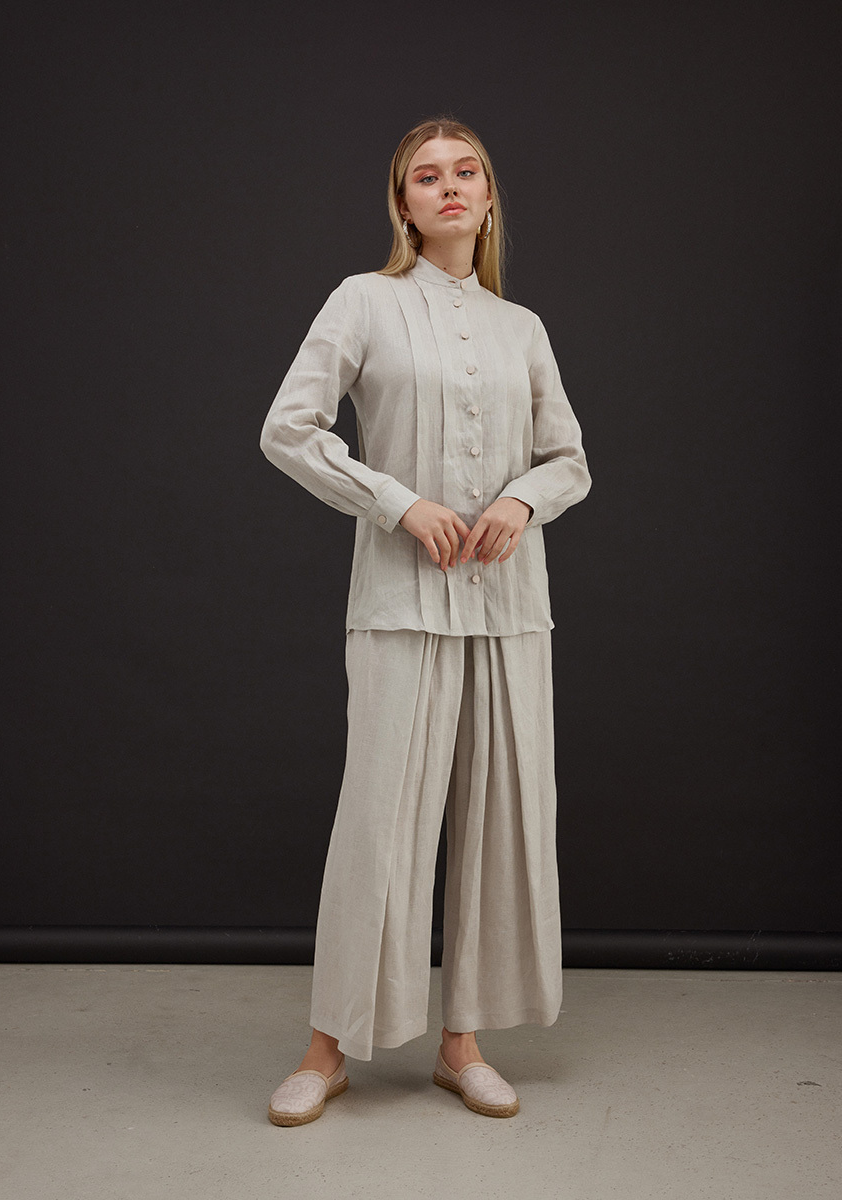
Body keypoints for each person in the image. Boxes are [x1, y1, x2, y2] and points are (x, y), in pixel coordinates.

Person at [260, 116, 591, 1126]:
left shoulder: (521, 327)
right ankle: (327, 1049)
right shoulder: (362, 301)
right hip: (400, 600)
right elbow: (289, 428)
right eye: (425, 177)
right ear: (402, 205)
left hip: (508, 605)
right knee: (379, 821)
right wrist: (395, 502)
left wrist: (521, 500)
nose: (448, 187)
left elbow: (568, 458)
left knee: (502, 819)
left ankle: (462, 1045)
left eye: (465, 172)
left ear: (486, 199)